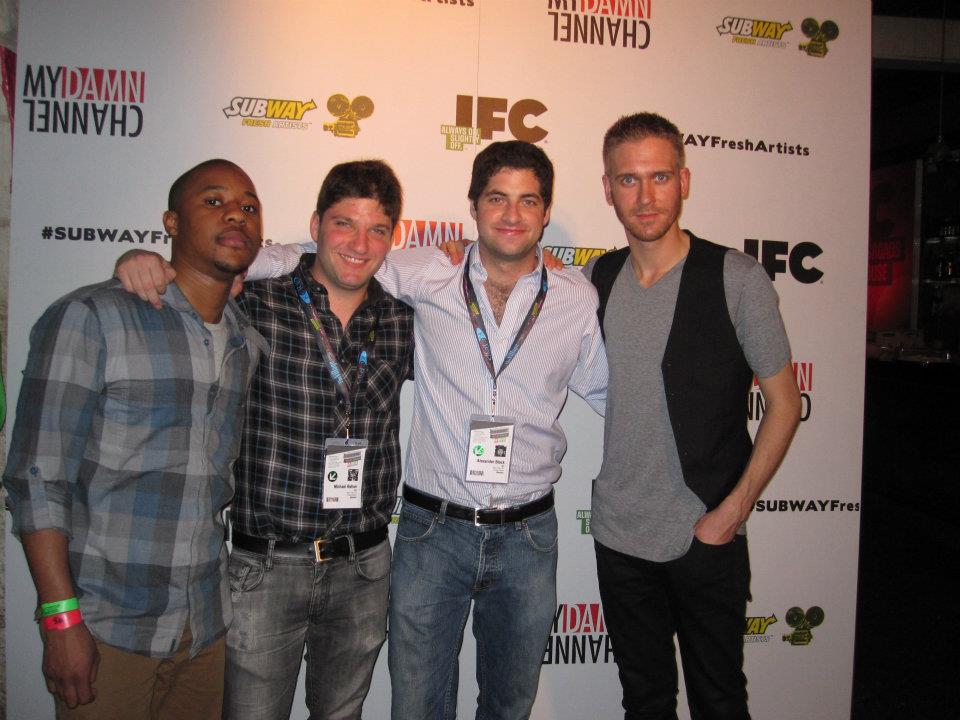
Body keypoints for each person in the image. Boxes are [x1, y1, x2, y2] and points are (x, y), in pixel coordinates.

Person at [230, 140, 607, 719]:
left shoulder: (576, 297)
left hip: (529, 535)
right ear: (473, 207)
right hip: (433, 533)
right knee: (418, 707)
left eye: (528, 201)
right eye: (497, 199)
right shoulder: (426, 273)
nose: (511, 215)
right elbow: (336, 256)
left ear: (546, 212)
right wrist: (185, 262)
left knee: (510, 706)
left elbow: (610, 394)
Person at [116, 160, 414, 720]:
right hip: (266, 567)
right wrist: (141, 261)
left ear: (392, 238)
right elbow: (191, 275)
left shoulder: (403, 318)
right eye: (344, 224)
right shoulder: (253, 299)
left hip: (365, 565)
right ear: (316, 225)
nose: (359, 244)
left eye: (377, 229)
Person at [3, 159, 267, 720]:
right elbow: (37, 479)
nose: (236, 215)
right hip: (108, 627)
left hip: (204, 630)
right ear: (171, 222)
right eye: (214, 202)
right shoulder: (93, 317)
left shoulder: (245, 342)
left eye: (249, 206)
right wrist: (60, 620)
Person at [585, 112, 802, 720]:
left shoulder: (736, 278)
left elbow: (785, 404)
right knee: (644, 701)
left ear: (684, 180)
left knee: (719, 700)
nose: (645, 196)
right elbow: (517, 285)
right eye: (628, 180)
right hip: (619, 536)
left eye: (659, 177)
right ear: (608, 189)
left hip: (706, 533)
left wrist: (732, 512)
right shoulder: (595, 279)